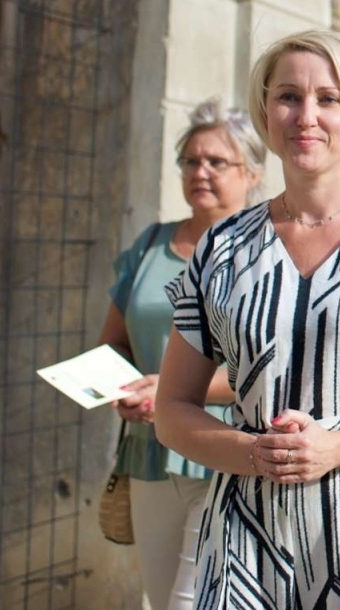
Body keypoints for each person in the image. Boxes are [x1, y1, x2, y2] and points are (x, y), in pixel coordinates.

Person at [155, 30, 340, 608]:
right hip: (245, 541)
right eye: (288, 97)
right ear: (264, 109)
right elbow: (172, 410)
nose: (307, 116)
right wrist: (253, 453)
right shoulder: (221, 247)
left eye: (330, 99)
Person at [97, 99, 262, 610]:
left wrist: (167, 389)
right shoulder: (149, 246)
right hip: (149, 453)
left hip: (228, 451)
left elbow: (271, 366)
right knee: (159, 594)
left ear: (252, 173)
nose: (201, 171)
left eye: (217, 161)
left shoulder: (265, 250)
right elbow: (114, 343)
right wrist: (121, 387)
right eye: (191, 160)